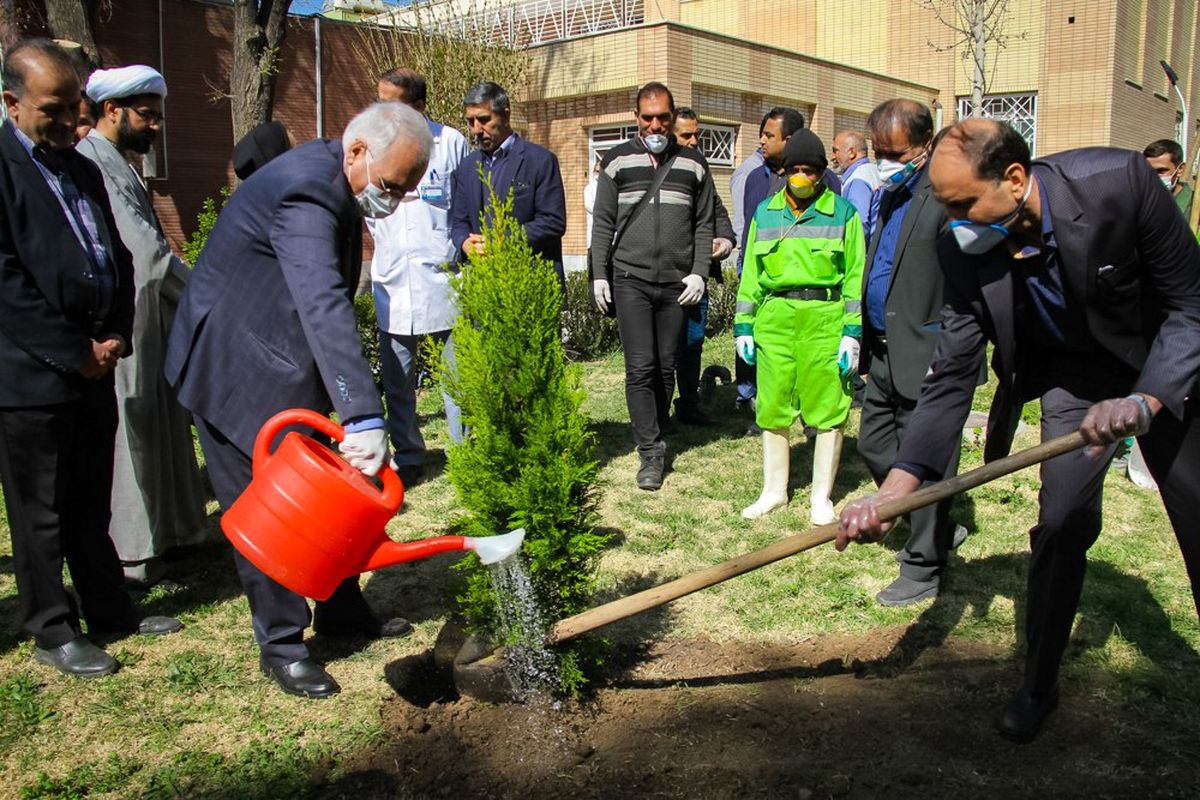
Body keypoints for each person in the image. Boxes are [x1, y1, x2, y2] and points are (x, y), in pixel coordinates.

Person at [837, 119, 1200, 744]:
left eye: (960, 204)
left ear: (1013, 178)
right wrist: (897, 485)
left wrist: (1146, 398)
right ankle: (1038, 683)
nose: (949, 221)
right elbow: (950, 374)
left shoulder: (1120, 185)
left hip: (1166, 364)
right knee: (1061, 522)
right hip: (1073, 378)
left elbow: (1191, 305)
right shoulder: (961, 247)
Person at [165, 102, 433, 699]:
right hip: (235, 364)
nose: (394, 199)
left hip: (281, 355)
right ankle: (282, 644)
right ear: (358, 150)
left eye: (408, 189)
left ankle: (340, 611)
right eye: (392, 185)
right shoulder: (308, 191)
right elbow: (322, 301)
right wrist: (362, 413)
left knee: (331, 497)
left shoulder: (333, 173)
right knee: (272, 504)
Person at [0, 39, 182, 678]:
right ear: (11, 103)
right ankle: (52, 625)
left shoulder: (78, 165)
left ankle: (111, 608)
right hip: (31, 373)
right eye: (52, 110)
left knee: (89, 498)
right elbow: (6, 281)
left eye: (73, 107)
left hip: (94, 360)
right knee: (40, 509)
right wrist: (72, 350)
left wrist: (113, 337)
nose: (68, 121)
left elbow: (116, 254)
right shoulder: (2, 167)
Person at [75, 65, 208, 587]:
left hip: (151, 315)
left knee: (160, 424)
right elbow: (148, 256)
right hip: (127, 320)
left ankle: (172, 533)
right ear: (113, 111)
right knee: (133, 433)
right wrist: (202, 291)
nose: (155, 127)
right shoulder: (95, 162)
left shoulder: (120, 163)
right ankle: (133, 553)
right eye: (148, 116)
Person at [857, 99, 969, 607]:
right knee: (874, 441)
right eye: (877, 151)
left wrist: (946, 349)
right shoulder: (891, 192)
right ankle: (931, 519)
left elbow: (967, 288)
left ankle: (923, 564)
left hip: (928, 352)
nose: (882, 161)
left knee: (927, 462)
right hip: (883, 348)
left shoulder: (945, 197)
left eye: (893, 152)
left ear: (924, 147)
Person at [589, 81, 715, 490]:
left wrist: (698, 270)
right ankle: (651, 452)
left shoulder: (694, 163)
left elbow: (703, 223)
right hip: (630, 279)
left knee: (665, 366)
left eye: (663, 117)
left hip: (677, 283)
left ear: (673, 115)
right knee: (640, 367)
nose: (656, 124)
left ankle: (657, 426)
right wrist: (597, 274)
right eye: (648, 117)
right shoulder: (616, 160)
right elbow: (603, 222)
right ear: (636, 118)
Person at [735, 129, 864, 523]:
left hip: (824, 319)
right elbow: (750, 275)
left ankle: (820, 497)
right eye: (795, 169)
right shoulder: (766, 212)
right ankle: (774, 491)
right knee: (772, 406)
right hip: (775, 320)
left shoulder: (843, 213)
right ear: (785, 170)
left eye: (810, 170)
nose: (802, 177)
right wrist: (743, 325)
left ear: (823, 173)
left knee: (828, 407)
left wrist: (851, 332)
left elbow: (855, 276)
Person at [371, 68, 469, 486]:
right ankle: (409, 455)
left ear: (418, 106)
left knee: (458, 377)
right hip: (393, 277)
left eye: (391, 102)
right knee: (398, 381)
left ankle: (464, 451)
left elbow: (466, 203)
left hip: (445, 279)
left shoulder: (449, 144)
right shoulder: (371, 144)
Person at [736, 108, 840, 434]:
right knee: (771, 358)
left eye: (769, 135)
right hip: (771, 290)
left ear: (790, 140)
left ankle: (811, 417)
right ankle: (765, 410)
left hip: (813, 292)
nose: (762, 141)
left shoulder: (829, 181)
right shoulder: (757, 178)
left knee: (811, 360)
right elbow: (752, 232)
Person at [451, 81, 566, 286]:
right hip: (483, 284)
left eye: (484, 120)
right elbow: (460, 221)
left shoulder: (539, 160)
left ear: (505, 115)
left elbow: (553, 221)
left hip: (531, 282)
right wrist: (464, 243)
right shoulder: (467, 167)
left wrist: (499, 241)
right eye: (471, 121)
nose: (476, 129)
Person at [672, 107, 736, 426]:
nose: (695, 141)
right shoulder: (653, 170)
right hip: (662, 277)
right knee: (660, 348)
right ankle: (656, 408)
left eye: (696, 134)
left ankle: (688, 402)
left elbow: (717, 210)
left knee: (692, 341)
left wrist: (724, 240)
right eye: (687, 135)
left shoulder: (700, 167)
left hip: (697, 274)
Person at [831, 130, 881, 236]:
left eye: (836, 151)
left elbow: (858, 224)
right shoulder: (873, 171)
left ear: (852, 152)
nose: (833, 156)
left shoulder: (858, 180)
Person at [1143, 139, 1193, 221]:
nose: (1153, 176)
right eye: (1148, 170)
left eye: (1161, 171)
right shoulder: (1138, 203)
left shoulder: (1194, 206)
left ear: (1180, 169)